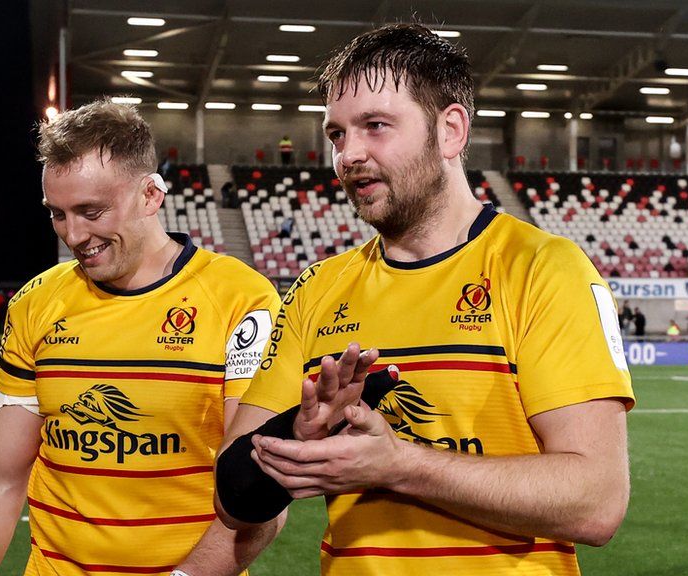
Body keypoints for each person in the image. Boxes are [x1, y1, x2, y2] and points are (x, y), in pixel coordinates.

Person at [216, 23, 634, 575]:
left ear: (451, 131)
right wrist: (300, 431)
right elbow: (233, 498)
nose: (347, 155)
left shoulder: (541, 269)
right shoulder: (318, 288)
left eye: (376, 126)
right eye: (337, 133)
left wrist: (398, 466)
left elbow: (597, 501)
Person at [0, 99, 282, 576]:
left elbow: (259, 489)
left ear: (150, 196)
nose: (74, 235)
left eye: (91, 211)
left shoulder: (241, 299)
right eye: (57, 214)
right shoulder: (36, 303)